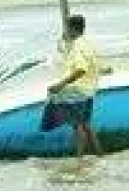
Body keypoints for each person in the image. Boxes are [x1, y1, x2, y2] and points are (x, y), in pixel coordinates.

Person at [44, 14, 103, 156]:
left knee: (78, 127)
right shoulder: (87, 44)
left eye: (66, 29)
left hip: (78, 91)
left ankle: (79, 160)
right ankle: (100, 154)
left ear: (71, 28)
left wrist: (60, 84)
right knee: (87, 125)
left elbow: (81, 69)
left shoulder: (77, 46)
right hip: (89, 90)